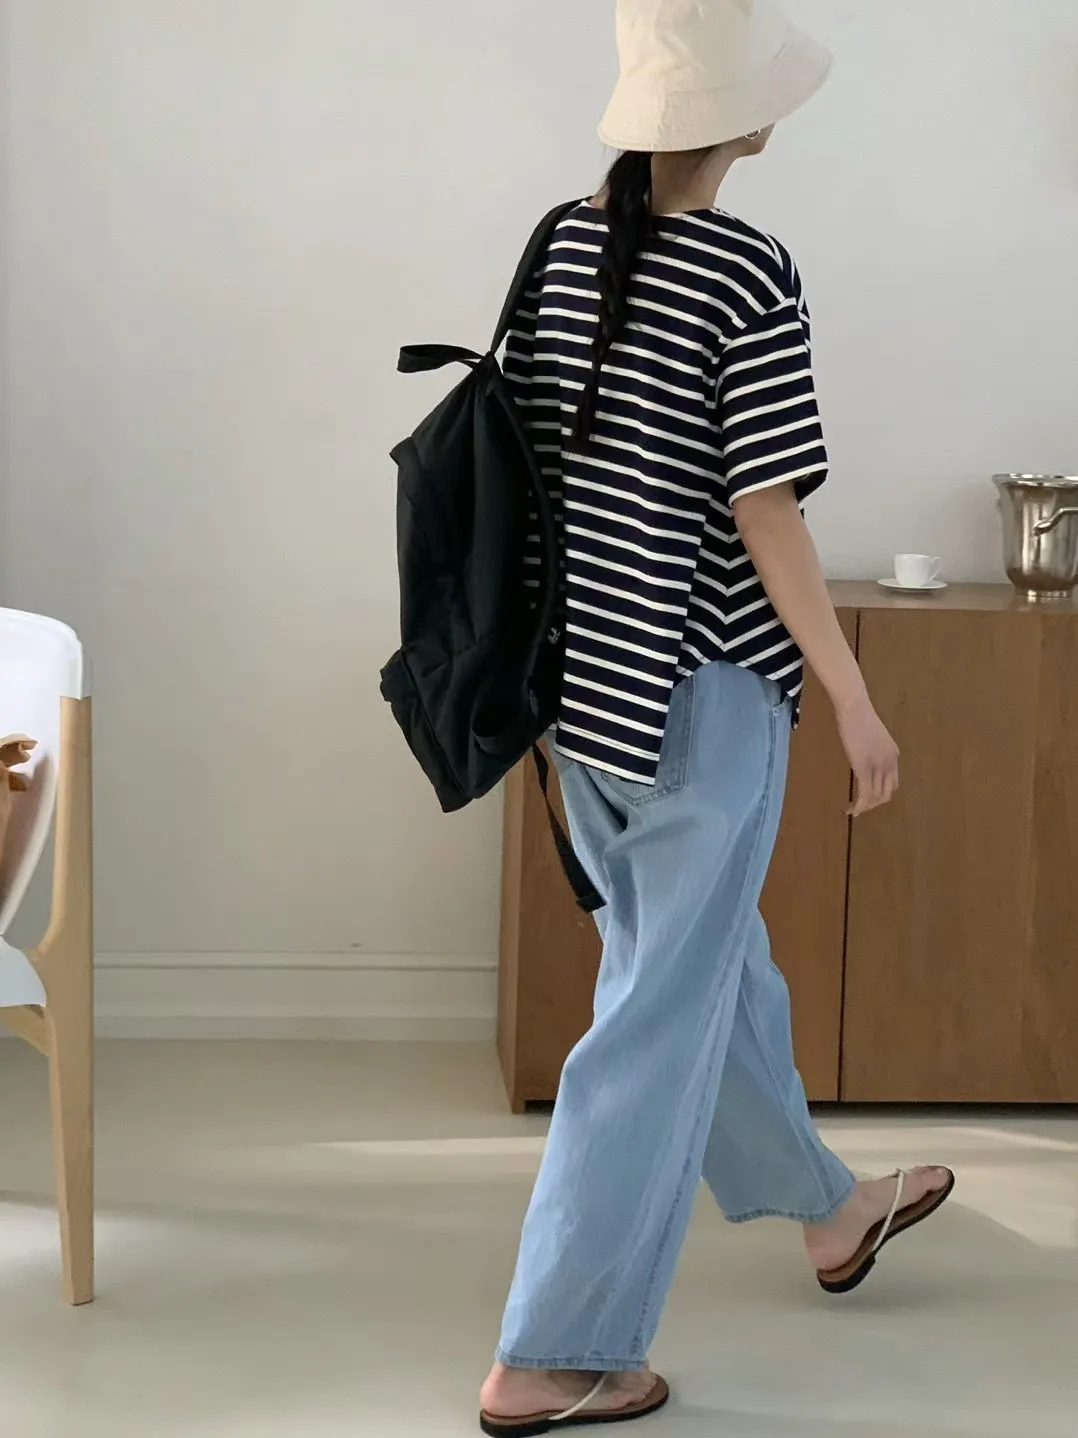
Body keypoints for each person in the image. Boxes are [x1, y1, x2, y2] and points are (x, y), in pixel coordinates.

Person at [479, 2, 953, 1432]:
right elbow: (766, 509)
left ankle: (830, 1210)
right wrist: (851, 691)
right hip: (701, 695)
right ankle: (556, 1349)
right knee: (655, 1015)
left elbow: (534, 471)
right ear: (741, 118)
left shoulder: (557, 243)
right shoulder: (746, 266)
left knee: (707, 970)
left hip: (581, 696)